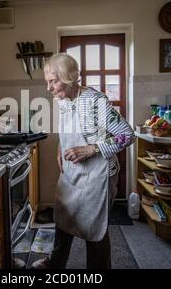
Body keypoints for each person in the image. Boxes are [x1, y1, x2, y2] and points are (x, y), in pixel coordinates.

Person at [32, 53, 136, 269]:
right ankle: (56, 263)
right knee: (63, 217)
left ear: (70, 78)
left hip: (98, 175)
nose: (49, 88)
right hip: (72, 171)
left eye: (53, 81)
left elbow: (127, 135)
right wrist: (61, 148)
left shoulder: (95, 101)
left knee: (94, 229)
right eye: (47, 82)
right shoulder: (62, 100)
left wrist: (91, 149)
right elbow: (68, 129)